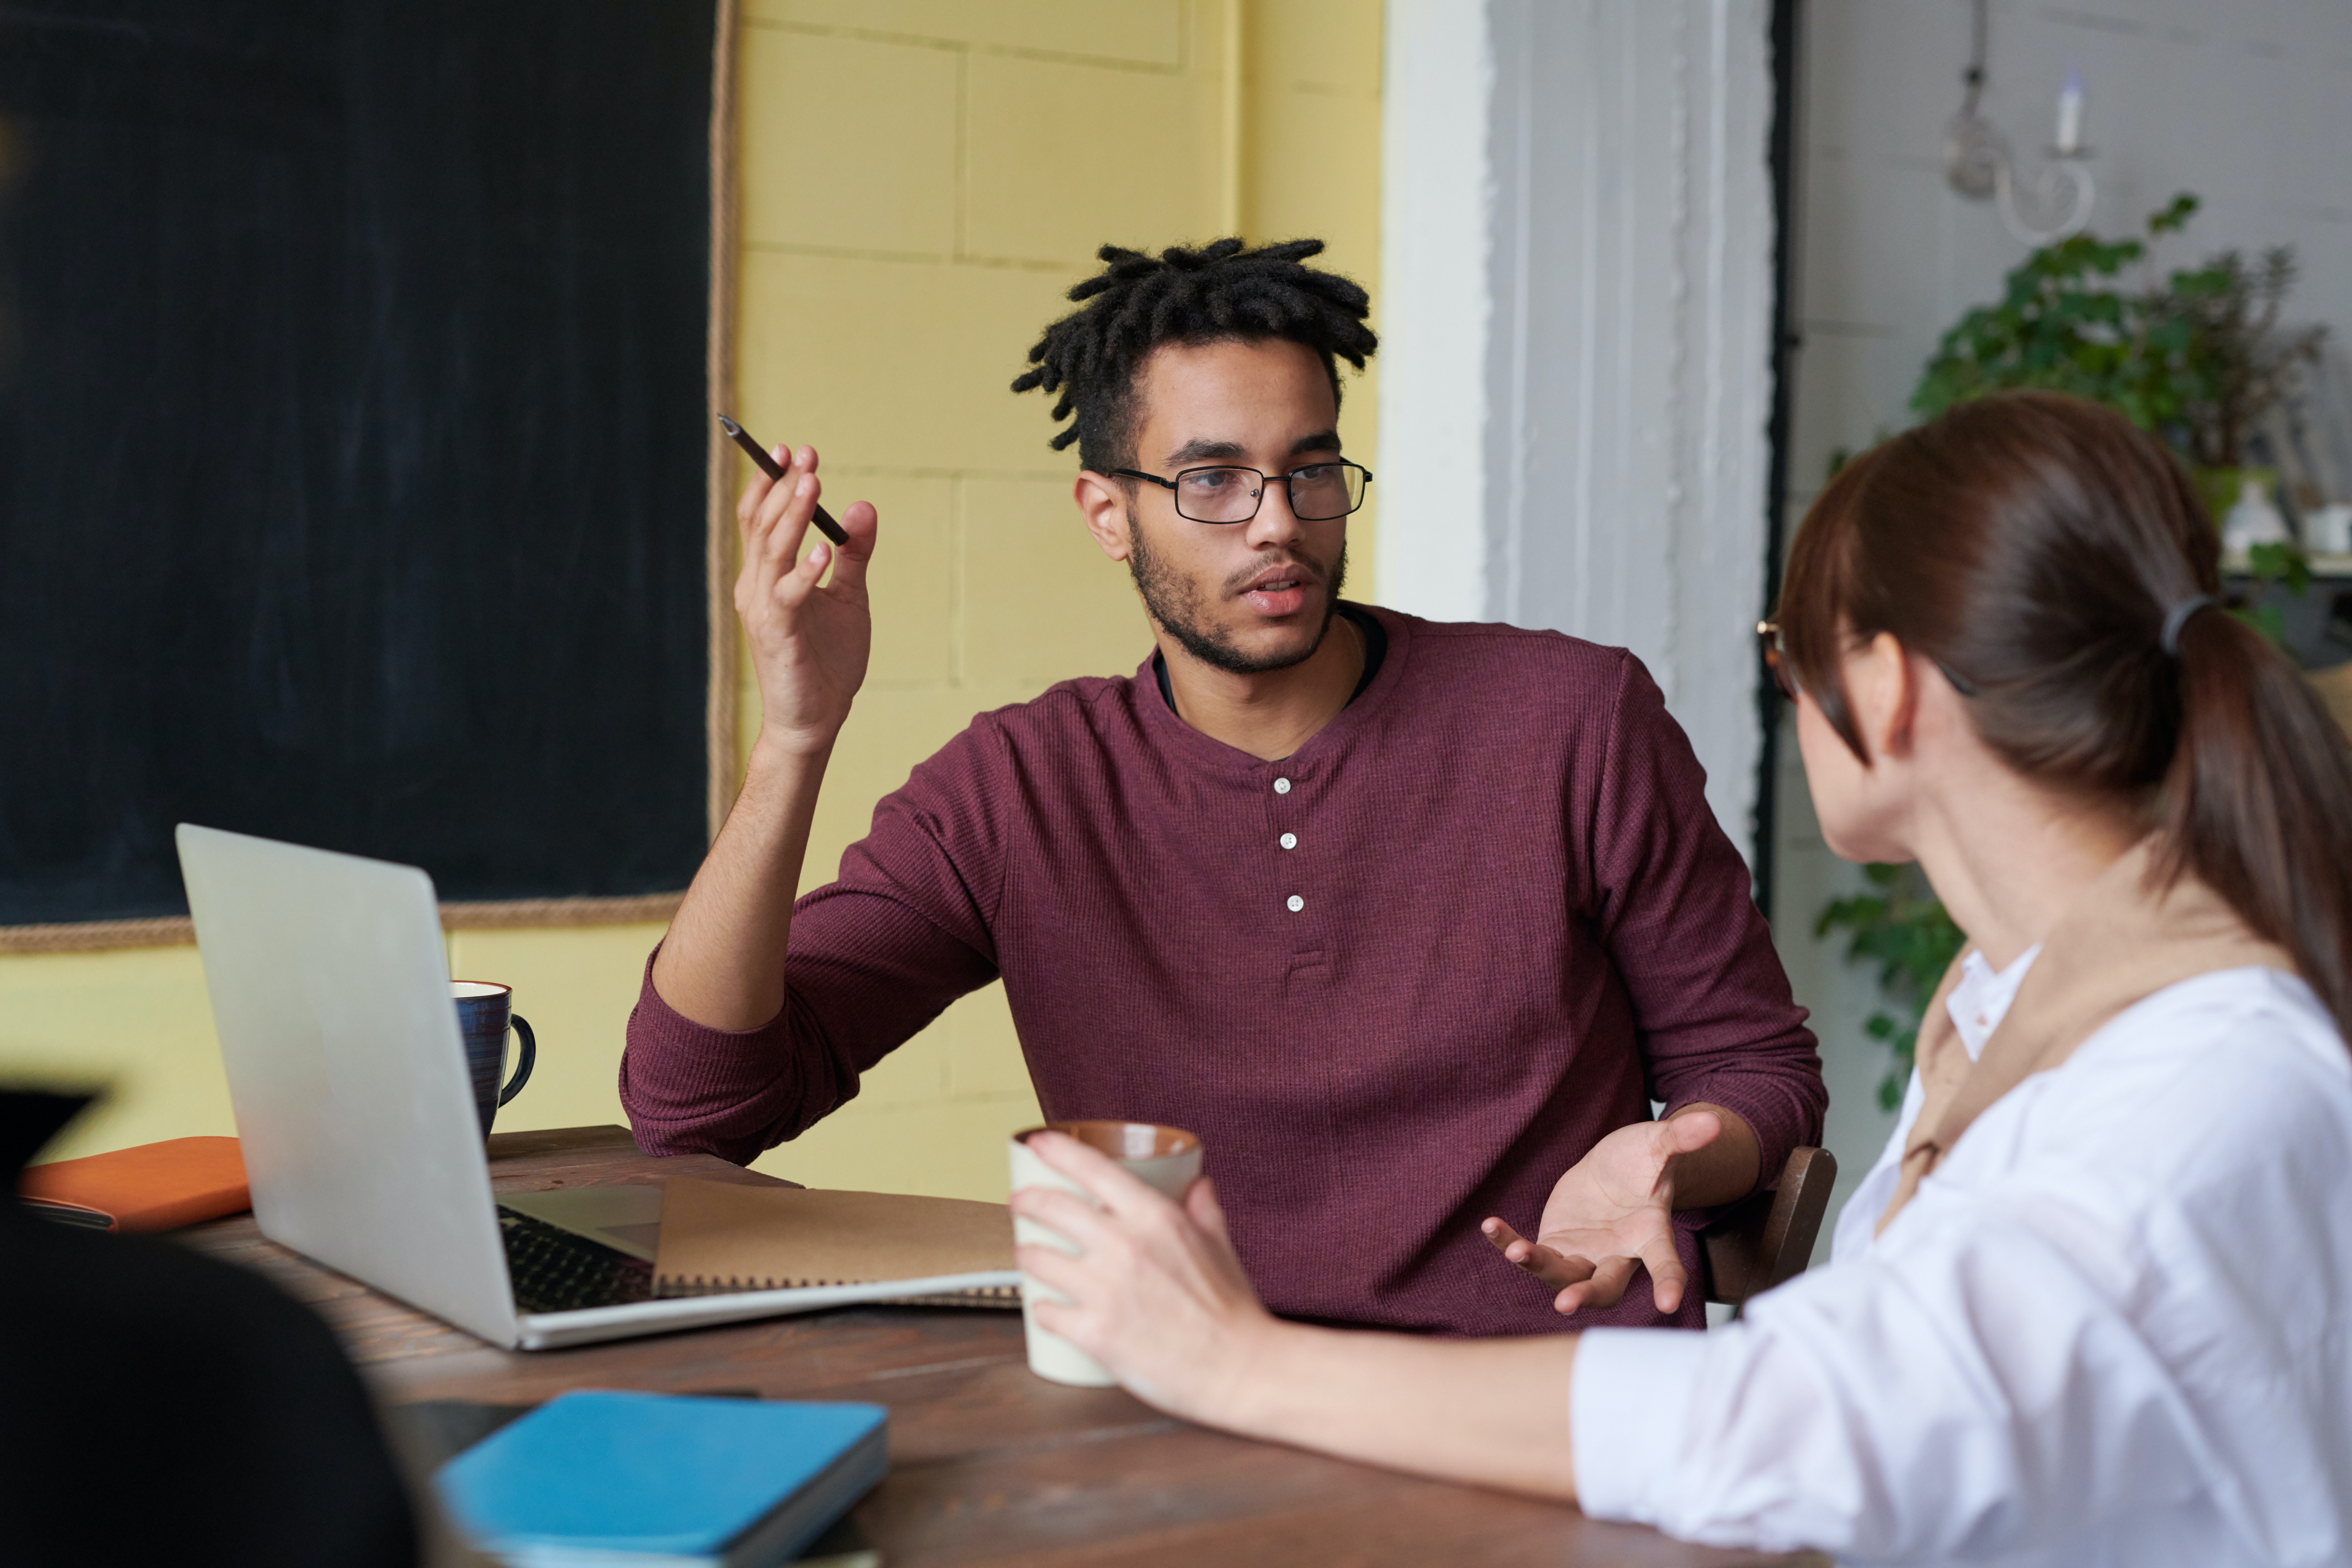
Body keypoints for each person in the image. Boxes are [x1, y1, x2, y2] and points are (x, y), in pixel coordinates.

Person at [1005, 391, 2352, 1566]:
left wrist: (1235, 1361)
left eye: (1785, 653)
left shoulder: (2207, 1079)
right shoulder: (2021, 1007)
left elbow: (1816, 1424)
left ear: (1882, 693)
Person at [622, 238, 1824, 1337]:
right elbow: (698, 1108)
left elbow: (1761, 1071)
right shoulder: (1020, 787)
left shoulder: (1570, 719)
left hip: (1535, 1405)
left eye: (1309, 471)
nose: (1277, 526)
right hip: (1192, 1407)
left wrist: (1666, 1162)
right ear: (1108, 513)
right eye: (1211, 481)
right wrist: (795, 738)